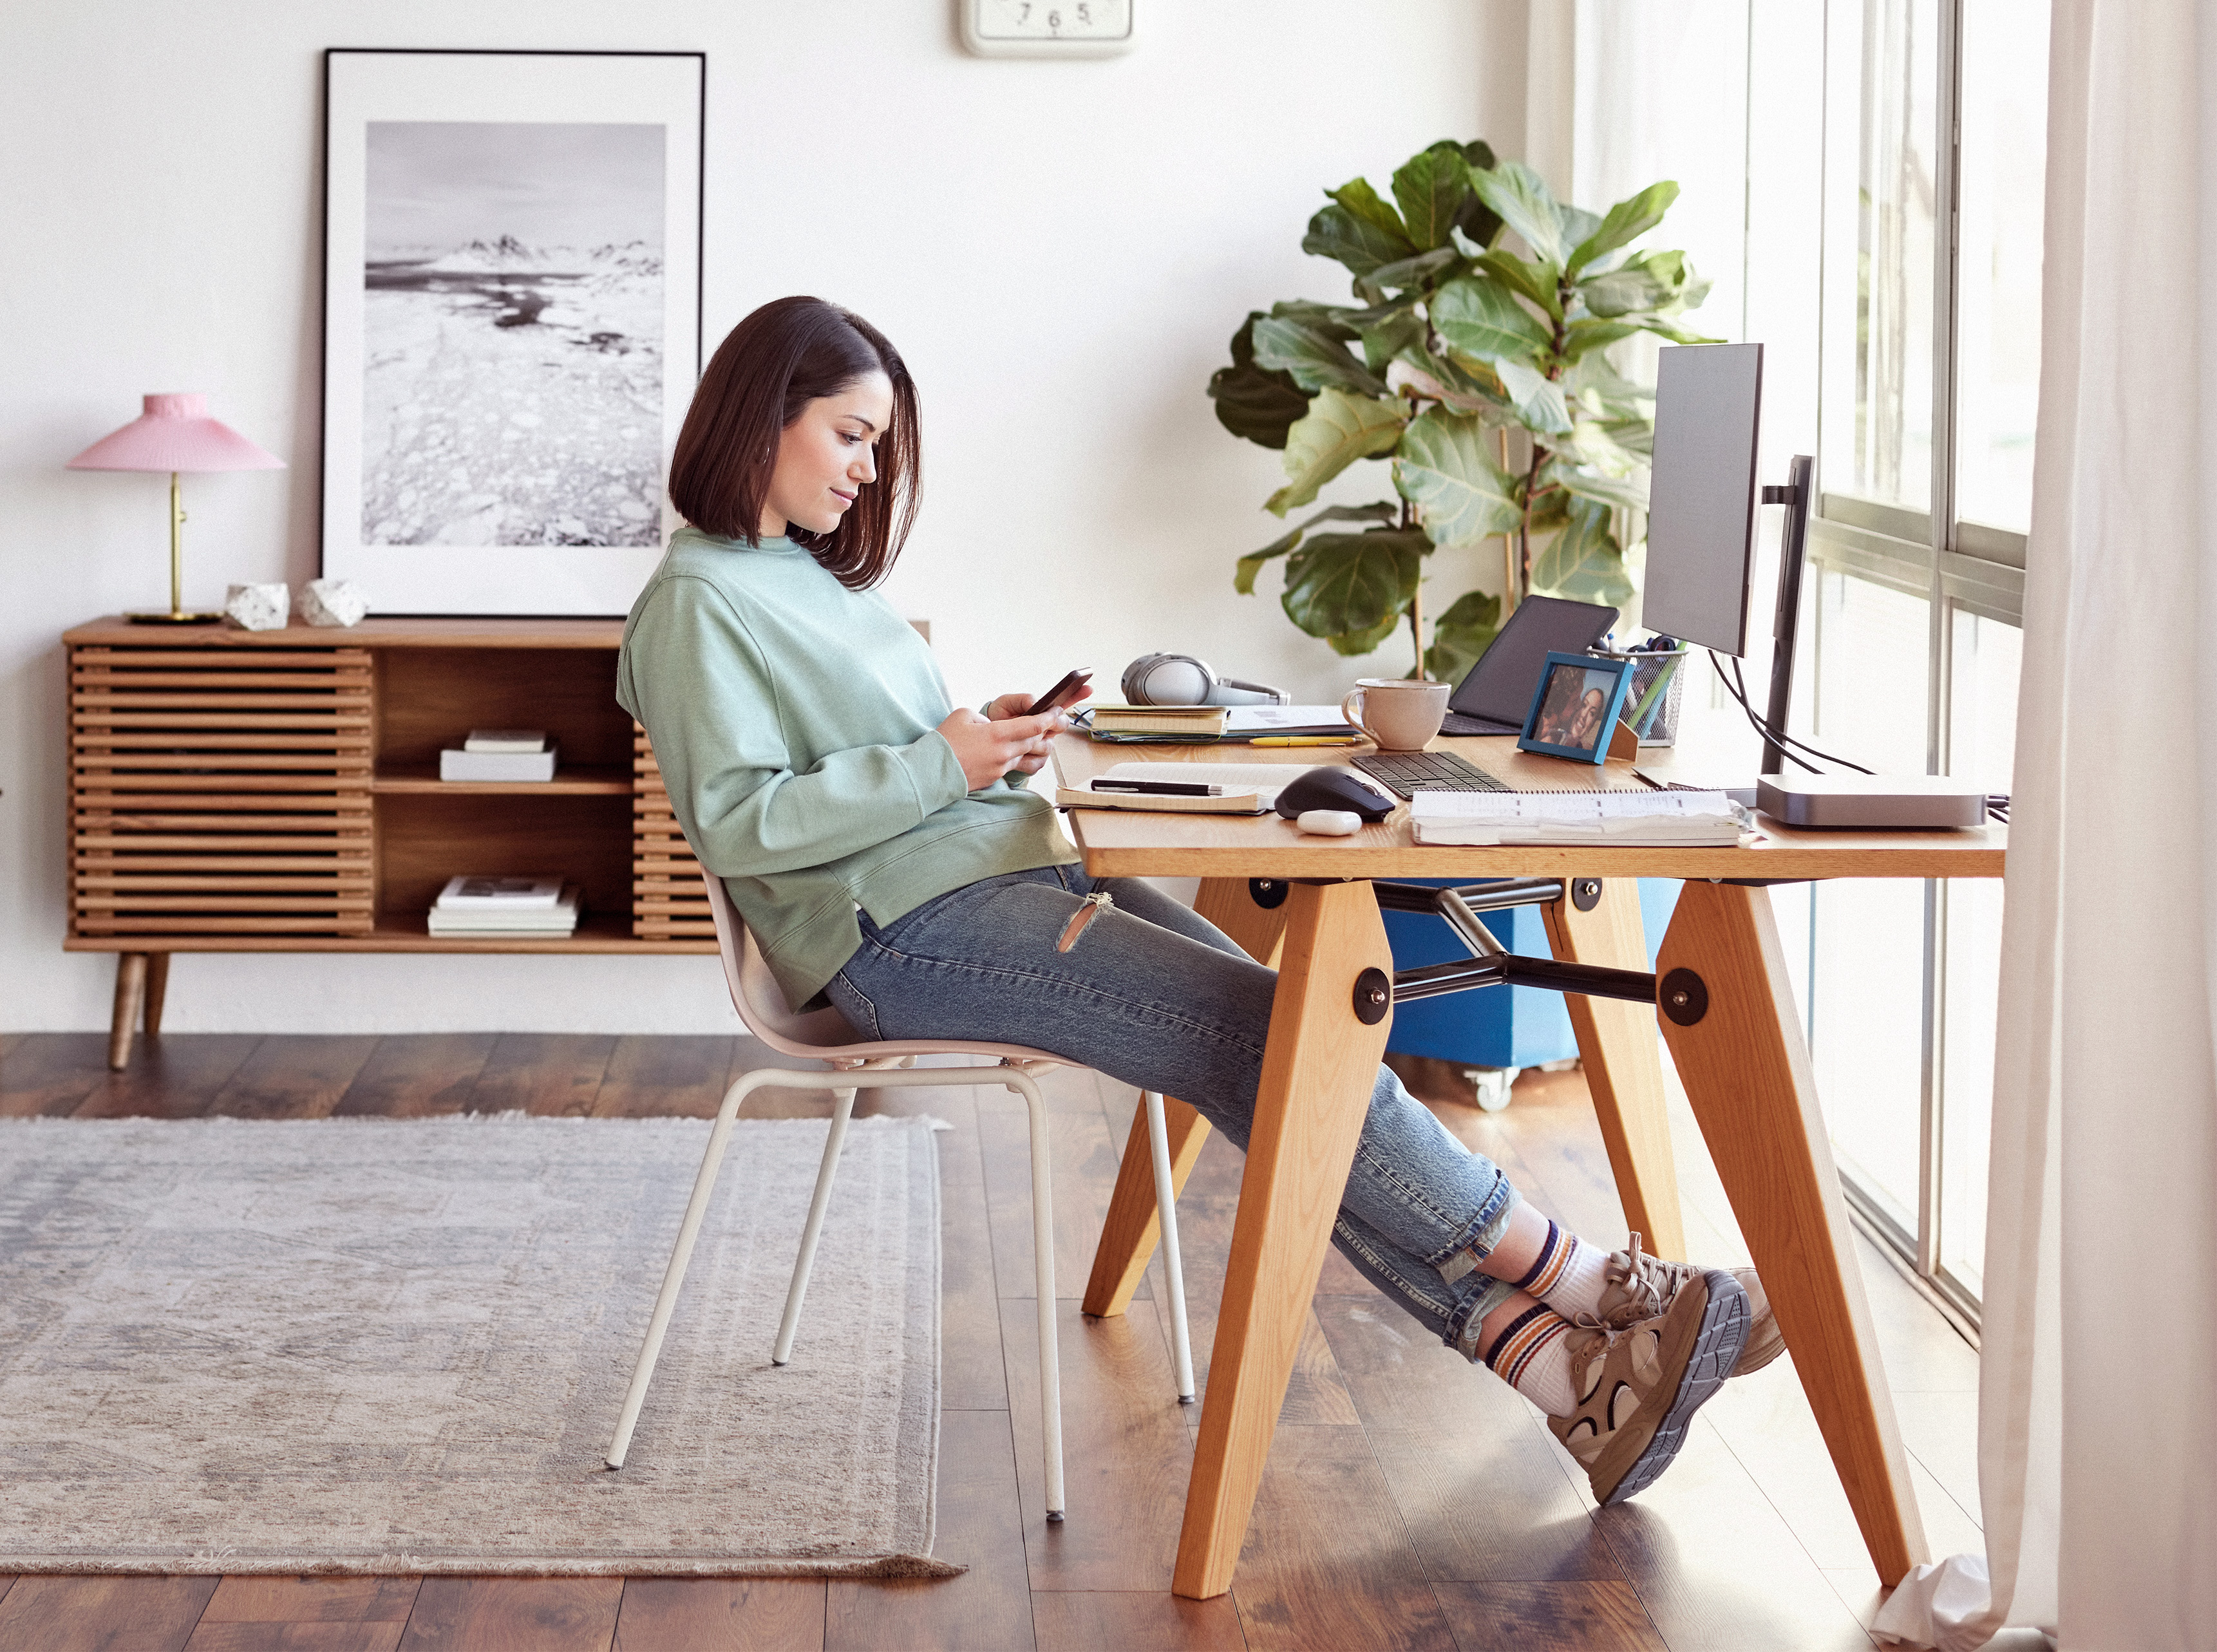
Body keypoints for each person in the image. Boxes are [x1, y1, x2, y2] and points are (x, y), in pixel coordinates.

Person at [616, 296, 1777, 1507]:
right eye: (852, 436)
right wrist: (940, 764)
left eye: (875, 444)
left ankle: (1564, 1378)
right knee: (1279, 1041)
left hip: (988, 875)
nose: (867, 471)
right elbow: (744, 823)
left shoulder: (800, 575)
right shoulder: (696, 603)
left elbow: (873, 759)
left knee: (1286, 1052)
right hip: (895, 933)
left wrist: (983, 746)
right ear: (768, 417)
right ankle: (1597, 1285)